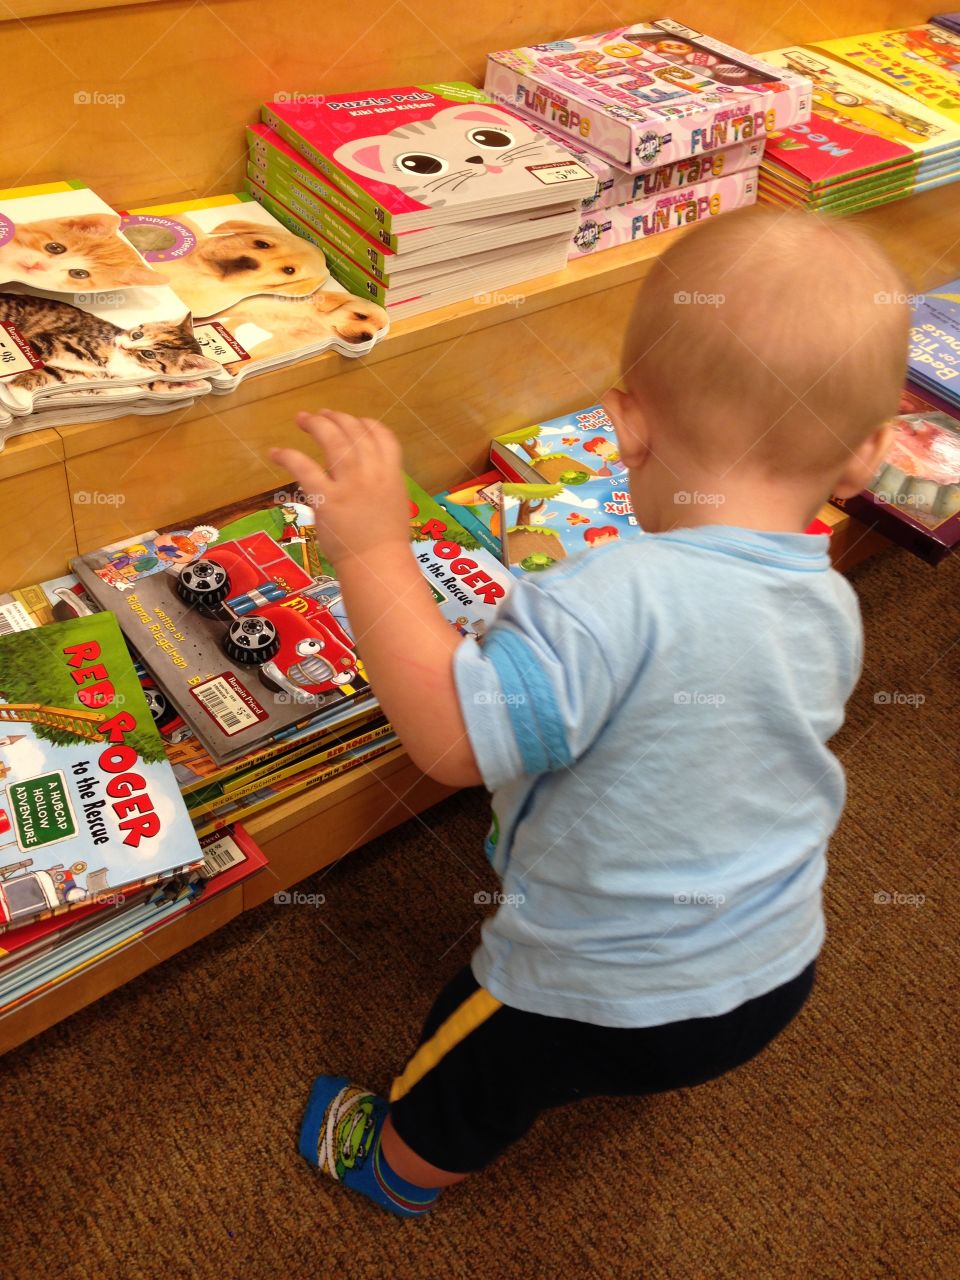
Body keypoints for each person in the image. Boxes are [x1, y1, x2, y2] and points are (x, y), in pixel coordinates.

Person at [270, 206, 911, 1218]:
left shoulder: (605, 597)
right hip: (775, 961)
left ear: (628, 423)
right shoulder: (831, 589)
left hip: (586, 987)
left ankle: (390, 1165)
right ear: (867, 454)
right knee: (595, 1045)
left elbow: (447, 738)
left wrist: (369, 549)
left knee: (463, 1077)